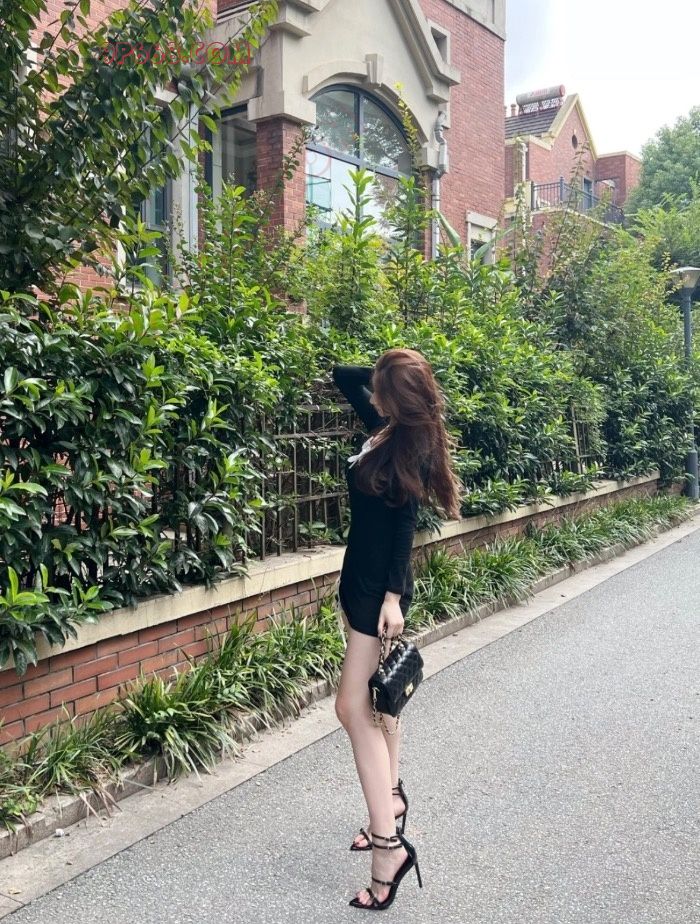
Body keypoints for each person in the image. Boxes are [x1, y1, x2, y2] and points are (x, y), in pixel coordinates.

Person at [332, 349, 462, 911]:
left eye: (383, 392)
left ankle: (388, 847)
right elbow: (344, 376)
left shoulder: (410, 445)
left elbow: (405, 528)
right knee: (379, 707)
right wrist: (390, 374)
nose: (374, 399)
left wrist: (390, 598)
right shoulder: (387, 428)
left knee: (351, 709)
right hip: (358, 584)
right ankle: (391, 798)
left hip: (374, 596)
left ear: (397, 400)